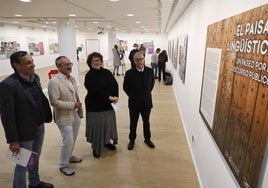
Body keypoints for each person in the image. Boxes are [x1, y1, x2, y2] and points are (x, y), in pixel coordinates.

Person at [0, 51, 53, 188]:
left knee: (34, 157)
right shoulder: (8, 85)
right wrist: (13, 140)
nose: (33, 64)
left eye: (32, 61)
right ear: (16, 65)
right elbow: (7, 116)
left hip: (39, 125)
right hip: (23, 132)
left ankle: (34, 182)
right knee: (22, 164)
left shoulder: (35, 77)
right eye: (28, 62)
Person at [48, 56, 83, 176]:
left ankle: (69, 156)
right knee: (67, 140)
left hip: (75, 115)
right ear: (58, 67)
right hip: (64, 117)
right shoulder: (54, 82)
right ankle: (63, 165)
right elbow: (54, 102)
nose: (69, 66)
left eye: (70, 64)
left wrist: (77, 108)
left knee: (73, 138)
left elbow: (75, 95)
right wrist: (73, 105)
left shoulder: (72, 78)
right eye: (66, 65)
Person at [84, 52, 119, 158]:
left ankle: (106, 142)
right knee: (97, 128)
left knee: (107, 125)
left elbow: (115, 84)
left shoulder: (107, 72)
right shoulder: (89, 76)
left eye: (98, 60)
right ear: (90, 63)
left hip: (108, 106)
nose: (97, 62)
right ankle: (96, 147)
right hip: (95, 107)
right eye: (94, 60)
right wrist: (109, 97)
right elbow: (94, 91)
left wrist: (116, 96)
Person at [123, 51, 155, 150]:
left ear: (144, 59)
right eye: (137, 60)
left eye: (141, 59)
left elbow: (151, 86)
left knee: (146, 122)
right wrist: (133, 96)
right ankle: (132, 140)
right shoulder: (129, 73)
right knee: (133, 123)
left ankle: (147, 139)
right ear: (134, 61)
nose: (140, 61)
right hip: (134, 103)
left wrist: (144, 95)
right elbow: (125, 88)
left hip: (146, 103)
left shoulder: (150, 71)